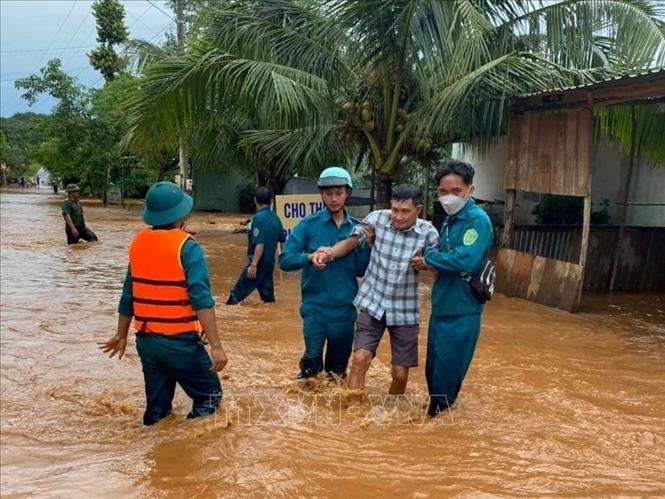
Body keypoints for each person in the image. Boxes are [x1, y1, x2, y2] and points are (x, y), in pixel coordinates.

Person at [99, 181, 228, 425]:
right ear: (182, 215)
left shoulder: (138, 243)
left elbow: (129, 294)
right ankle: (188, 450)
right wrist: (216, 346)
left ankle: (159, 452)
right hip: (179, 341)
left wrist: (121, 334)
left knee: (157, 409)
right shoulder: (189, 249)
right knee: (210, 397)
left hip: (147, 341)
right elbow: (202, 300)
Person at [314, 185, 440, 395]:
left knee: (400, 373)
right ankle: (352, 411)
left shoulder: (429, 233)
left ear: (418, 210)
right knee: (360, 358)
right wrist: (328, 253)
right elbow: (351, 242)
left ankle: (391, 414)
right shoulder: (377, 219)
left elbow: (437, 268)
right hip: (373, 303)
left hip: (405, 311)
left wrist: (426, 264)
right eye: (395, 210)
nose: (398, 217)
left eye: (405, 212)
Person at [411, 160, 493, 416]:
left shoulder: (477, 221)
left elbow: (465, 259)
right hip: (442, 306)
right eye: (443, 192)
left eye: (456, 191)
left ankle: (438, 429)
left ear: (470, 189)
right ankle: (436, 423)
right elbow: (445, 255)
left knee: (446, 379)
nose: (449, 197)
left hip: (463, 310)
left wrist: (427, 260)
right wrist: (426, 257)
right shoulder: (449, 220)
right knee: (433, 372)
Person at [278, 166, 370, 380]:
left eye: (339, 193)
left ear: (348, 193)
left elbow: (361, 270)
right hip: (314, 308)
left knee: (336, 374)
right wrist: (309, 257)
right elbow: (284, 260)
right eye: (328, 193)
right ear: (321, 194)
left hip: (345, 310)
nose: (334, 199)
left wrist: (368, 247)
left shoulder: (357, 230)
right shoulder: (307, 226)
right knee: (311, 365)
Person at [226, 186, 286, 305]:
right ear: (271, 201)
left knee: (234, 298)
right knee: (268, 301)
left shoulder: (258, 218)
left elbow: (260, 243)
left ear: (255, 200)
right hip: (269, 264)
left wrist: (253, 265)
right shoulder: (276, 218)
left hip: (258, 264)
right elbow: (282, 239)